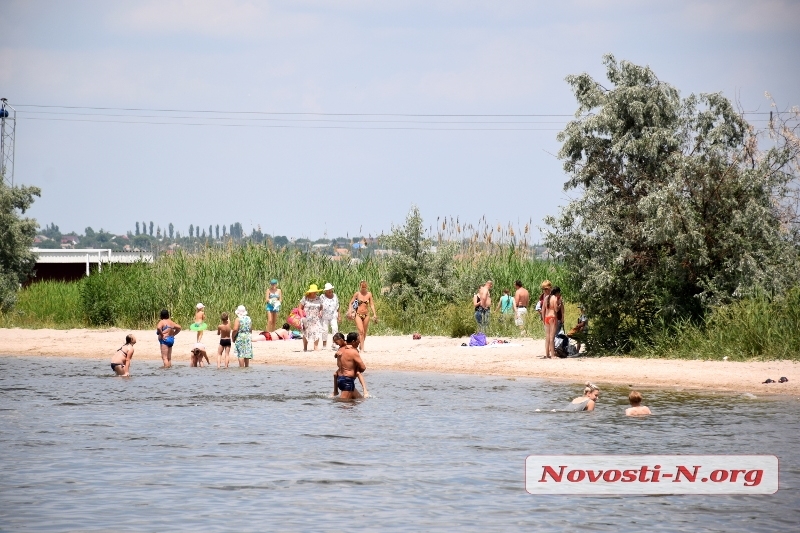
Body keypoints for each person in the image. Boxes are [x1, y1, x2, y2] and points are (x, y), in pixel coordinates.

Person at [331, 332, 368, 397]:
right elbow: (363, 367)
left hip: (340, 380)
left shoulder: (341, 349)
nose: (359, 343)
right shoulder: (353, 351)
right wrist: (356, 370)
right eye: (358, 341)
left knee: (360, 400)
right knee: (343, 404)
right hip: (347, 382)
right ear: (353, 341)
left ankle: (335, 391)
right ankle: (335, 392)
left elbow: (339, 364)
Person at [347, 280, 378, 352]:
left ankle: (361, 345)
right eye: (362, 287)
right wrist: (350, 311)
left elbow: (371, 304)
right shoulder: (357, 294)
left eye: (365, 287)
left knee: (364, 332)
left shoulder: (369, 294)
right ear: (360, 286)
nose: (363, 288)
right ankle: (362, 349)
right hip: (358, 314)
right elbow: (351, 303)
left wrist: (374, 314)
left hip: (366, 314)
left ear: (366, 286)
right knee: (361, 331)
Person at [300, 284, 325, 351]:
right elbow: (300, 308)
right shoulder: (305, 298)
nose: (315, 292)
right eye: (314, 291)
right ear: (310, 292)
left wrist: (321, 311)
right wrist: (302, 316)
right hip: (306, 318)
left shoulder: (319, 298)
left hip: (316, 318)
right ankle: (305, 347)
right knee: (306, 333)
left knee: (317, 332)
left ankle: (315, 347)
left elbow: (321, 307)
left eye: (316, 291)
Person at [320, 282, 340, 349]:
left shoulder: (335, 296)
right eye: (328, 290)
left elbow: (337, 306)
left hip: (333, 315)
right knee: (325, 330)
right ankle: (324, 345)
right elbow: (320, 305)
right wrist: (320, 311)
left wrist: (339, 315)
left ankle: (334, 343)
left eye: (330, 289)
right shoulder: (322, 297)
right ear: (325, 290)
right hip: (324, 316)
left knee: (335, 328)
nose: (329, 291)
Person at [543, 286, 561, 358]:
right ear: (556, 293)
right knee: (552, 337)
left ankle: (547, 354)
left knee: (547, 337)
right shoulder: (554, 298)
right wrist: (559, 305)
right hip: (552, 317)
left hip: (546, 317)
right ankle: (553, 355)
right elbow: (556, 310)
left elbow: (544, 309)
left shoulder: (546, 298)